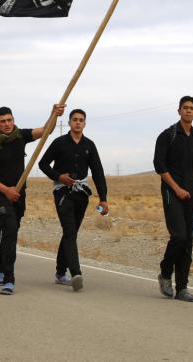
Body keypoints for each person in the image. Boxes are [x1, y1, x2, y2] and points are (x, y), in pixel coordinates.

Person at [0, 102, 65, 296]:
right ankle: (9, 279)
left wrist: (54, 115)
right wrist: (4, 190)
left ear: (13, 120)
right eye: (3, 122)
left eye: (9, 120)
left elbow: (45, 131)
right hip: (0, 195)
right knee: (9, 231)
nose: (7, 124)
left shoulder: (20, 136)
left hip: (19, 195)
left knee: (11, 233)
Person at [38, 108, 109, 292]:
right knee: (69, 230)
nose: (78, 122)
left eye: (81, 120)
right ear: (69, 122)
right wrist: (59, 177)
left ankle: (60, 273)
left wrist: (103, 199)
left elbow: (98, 172)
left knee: (71, 233)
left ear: (85, 124)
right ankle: (76, 273)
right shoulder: (59, 143)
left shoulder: (89, 145)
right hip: (62, 193)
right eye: (75, 119)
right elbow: (42, 164)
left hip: (81, 195)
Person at [153, 95, 193, 303]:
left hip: (192, 194)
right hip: (171, 192)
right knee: (179, 236)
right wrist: (176, 189)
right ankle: (165, 272)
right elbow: (159, 166)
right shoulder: (168, 135)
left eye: (192, 108)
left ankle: (182, 288)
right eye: (185, 108)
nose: (188, 111)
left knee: (189, 241)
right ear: (178, 111)